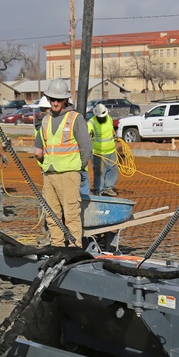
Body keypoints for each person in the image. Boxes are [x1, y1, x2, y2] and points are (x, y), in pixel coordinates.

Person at [34, 79, 92, 246]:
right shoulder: (45, 121)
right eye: (52, 99)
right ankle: (57, 246)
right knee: (52, 215)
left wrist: (77, 167)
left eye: (59, 99)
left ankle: (75, 248)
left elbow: (86, 148)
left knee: (71, 214)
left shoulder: (75, 119)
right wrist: (45, 163)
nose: (55, 102)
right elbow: (38, 151)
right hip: (49, 175)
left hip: (69, 175)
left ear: (66, 100)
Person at [89, 103, 119, 196]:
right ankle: (99, 190)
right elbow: (87, 136)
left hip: (111, 151)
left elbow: (111, 130)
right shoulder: (91, 123)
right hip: (98, 153)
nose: (102, 118)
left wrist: (114, 135)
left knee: (113, 170)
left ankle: (108, 188)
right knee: (99, 172)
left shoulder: (109, 118)